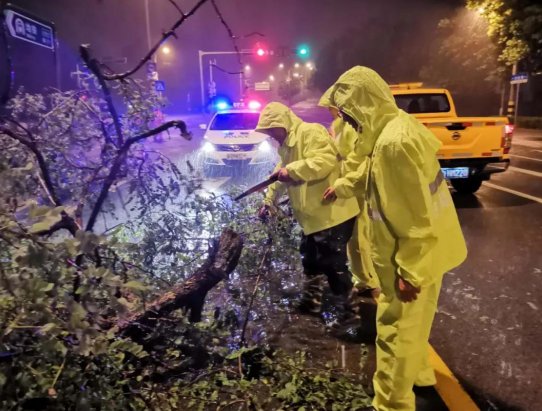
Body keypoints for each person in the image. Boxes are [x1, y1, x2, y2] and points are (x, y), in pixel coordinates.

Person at [322, 67, 467, 411]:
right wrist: (342, 186)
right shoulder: (394, 125)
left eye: (350, 115)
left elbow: (416, 219)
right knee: (415, 325)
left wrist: (409, 272)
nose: (350, 124)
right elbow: (370, 175)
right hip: (433, 250)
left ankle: (391, 404)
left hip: (414, 258)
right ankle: (420, 376)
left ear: (365, 105)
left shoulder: (393, 144)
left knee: (395, 332)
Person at [255, 102, 360, 322]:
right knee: (310, 258)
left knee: (333, 262)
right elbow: (278, 174)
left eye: (273, 129)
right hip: (314, 217)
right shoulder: (287, 146)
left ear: (284, 123)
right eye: (268, 132)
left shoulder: (311, 132)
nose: (272, 135)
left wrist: (290, 171)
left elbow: (324, 161)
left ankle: (349, 312)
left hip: (333, 213)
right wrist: (268, 200)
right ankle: (311, 299)